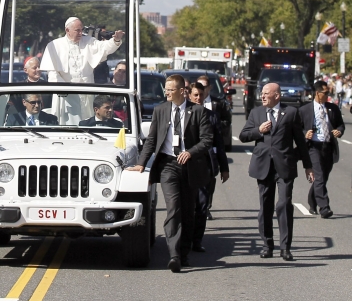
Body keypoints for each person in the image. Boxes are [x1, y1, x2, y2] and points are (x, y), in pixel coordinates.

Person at [127, 74, 213, 273]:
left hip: (190, 166)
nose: (166, 92)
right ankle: (173, 255)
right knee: (173, 208)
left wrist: (190, 152)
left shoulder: (198, 112)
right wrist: (141, 164)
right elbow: (151, 140)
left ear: (182, 91)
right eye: (165, 89)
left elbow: (207, 140)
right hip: (168, 165)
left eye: (170, 89)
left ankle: (183, 252)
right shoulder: (160, 110)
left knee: (188, 212)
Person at [239, 82, 313, 261]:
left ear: (277, 96)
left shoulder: (291, 113)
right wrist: (259, 130)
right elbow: (243, 136)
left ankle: (285, 247)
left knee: (284, 204)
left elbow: (300, 141)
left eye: (266, 94)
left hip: (284, 166)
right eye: (261, 93)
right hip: (263, 165)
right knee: (265, 206)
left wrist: (307, 166)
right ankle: (267, 244)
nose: (262, 96)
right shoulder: (256, 113)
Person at [188, 80, 229, 253]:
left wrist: (224, 167)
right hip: (187, 166)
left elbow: (219, 144)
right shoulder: (183, 114)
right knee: (187, 205)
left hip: (206, 166)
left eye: (201, 95)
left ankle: (197, 241)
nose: (198, 98)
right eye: (195, 95)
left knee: (202, 206)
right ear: (189, 96)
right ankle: (184, 238)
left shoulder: (212, 116)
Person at [299, 81, 344, 218]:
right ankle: (324, 207)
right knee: (318, 176)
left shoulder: (333, 108)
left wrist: (338, 131)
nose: (327, 95)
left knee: (323, 177)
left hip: (328, 146)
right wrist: (305, 133)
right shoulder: (305, 110)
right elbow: (297, 128)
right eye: (325, 93)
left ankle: (312, 200)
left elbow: (340, 125)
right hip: (313, 147)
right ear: (317, 93)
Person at [39, 17, 124, 83]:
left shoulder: (89, 41)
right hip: (65, 94)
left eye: (81, 30)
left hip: (86, 91)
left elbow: (105, 48)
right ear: (67, 30)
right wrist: (64, 89)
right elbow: (53, 75)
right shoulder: (54, 46)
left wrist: (115, 40)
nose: (81, 33)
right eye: (77, 30)